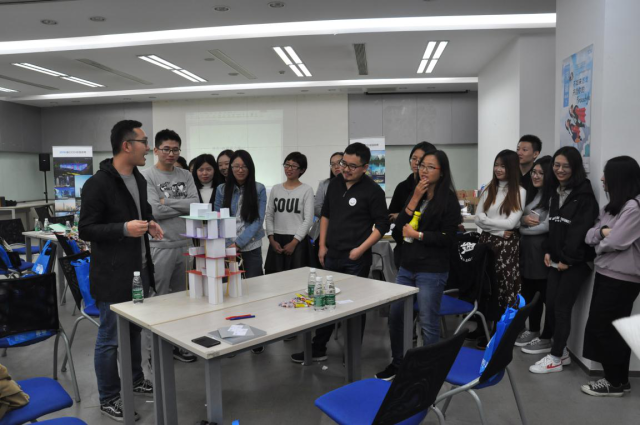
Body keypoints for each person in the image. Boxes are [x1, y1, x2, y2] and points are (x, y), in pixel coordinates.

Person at [79, 120, 163, 421]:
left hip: (139, 270)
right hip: (112, 276)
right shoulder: (97, 184)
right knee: (110, 337)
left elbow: (141, 213)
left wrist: (149, 223)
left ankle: (135, 378)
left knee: (135, 330)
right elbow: (86, 229)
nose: (148, 148)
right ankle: (109, 397)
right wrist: (123, 229)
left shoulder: (138, 178)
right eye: (144, 142)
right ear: (127, 145)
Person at [290, 142, 390, 363]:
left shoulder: (373, 191)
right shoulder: (335, 184)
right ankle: (318, 348)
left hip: (356, 258)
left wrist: (360, 249)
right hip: (331, 254)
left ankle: (352, 353)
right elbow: (325, 215)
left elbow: (383, 225)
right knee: (325, 303)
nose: (345, 169)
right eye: (344, 163)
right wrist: (322, 245)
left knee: (354, 307)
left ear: (365, 167)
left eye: (352, 166)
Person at [376, 150, 461, 380]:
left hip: (432, 270)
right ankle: (398, 364)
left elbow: (448, 238)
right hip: (407, 267)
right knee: (396, 316)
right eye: (422, 165)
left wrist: (419, 235)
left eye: (430, 167)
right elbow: (398, 230)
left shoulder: (448, 200)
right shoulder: (416, 194)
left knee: (428, 322)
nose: (424, 170)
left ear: (441, 172)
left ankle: (427, 371)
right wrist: (414, 199)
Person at [527, 146, 598, 374]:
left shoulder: (584, 196)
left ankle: (556, 357)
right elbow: (554, 227)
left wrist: (567, 258)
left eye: (565, 166)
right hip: (557, 261)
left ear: (575, 168)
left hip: (576, 262)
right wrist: (549, 250)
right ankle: (563, 352)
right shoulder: (556, 192)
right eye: (556, 165)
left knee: (561, 308)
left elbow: (579, 231)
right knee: (551, 304)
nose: (560, 170)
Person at [581, 156, 640, 396]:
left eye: (606, 174)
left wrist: (600, 240)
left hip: (622, 279)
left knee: (604, 328)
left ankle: (613, 382)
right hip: (607, 274)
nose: (602, 178)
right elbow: (590, 234)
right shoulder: (613, 207)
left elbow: (616, 241)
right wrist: (603, 234)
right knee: (612, 328)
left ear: (619, 178)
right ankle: (620, 380)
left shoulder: (633, 208)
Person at [141, 129, 199, 363]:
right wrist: (180, 205)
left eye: (175, 149)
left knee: (181, 300)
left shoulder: (186, 174)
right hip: (160, 246)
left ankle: (177, 345)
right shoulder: (147, 176)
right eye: (166, 149)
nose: (171, 153)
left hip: (185, 243)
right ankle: (154, 352)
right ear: (156, 150)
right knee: (157, 301)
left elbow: (196, 204)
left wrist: (167, 201)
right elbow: (154, 210)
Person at [474, 149, 527, 346]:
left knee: (503, 287)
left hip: (507, 246)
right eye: (496, 165)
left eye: (503, 166)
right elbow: (477, 218)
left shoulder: (520, 192)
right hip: (487, 242)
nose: (498, 169)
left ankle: (500, 331)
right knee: (484, 285)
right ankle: (482, 328)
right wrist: (497, 230)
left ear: (511, 168)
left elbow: (511, 224)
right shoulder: (490, 188)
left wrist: (487, 222)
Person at [516, 156, 552, 347]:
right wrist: (522, 221)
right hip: (526, 251)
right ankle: (533, 329)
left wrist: (522, 228)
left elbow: (547, 226)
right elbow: (518, 217)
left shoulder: (552, 197)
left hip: (541, 252)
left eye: (541, 173)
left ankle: (546, 336)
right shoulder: (530, 193)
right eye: (534, 172)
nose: (535, 176)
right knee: (529, 293)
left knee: (543, 294)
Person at [214, 150, 266, 279]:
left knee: (254, 284)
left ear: (250, 168)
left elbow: (258, 220)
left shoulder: (259, 188)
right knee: (228, 285)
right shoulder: (221, 189)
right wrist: (228, 244)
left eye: (244, 166)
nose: (240, 170)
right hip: (227, 246)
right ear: (231, 168)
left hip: (251, 246)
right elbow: (217, 218)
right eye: (236, 166)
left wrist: (238, 244)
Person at [265, 152, 314, 274]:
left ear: (302, 170)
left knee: (296, 278)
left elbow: (308, 220)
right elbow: (269, 215)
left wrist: (294, 242)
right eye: (287, 165)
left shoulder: (306, 190)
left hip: (297, 240)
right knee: (274, 277)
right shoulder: (276, 189)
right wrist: (271, 239)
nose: (289, 168)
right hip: (276, 239)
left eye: (294, 166)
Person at [388, 141, 436, 223]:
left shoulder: (434, 187)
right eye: (414, 158)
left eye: (421, 159)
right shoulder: (402, 187)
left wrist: (400, 215)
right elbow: (391, 215)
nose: (416, 162)